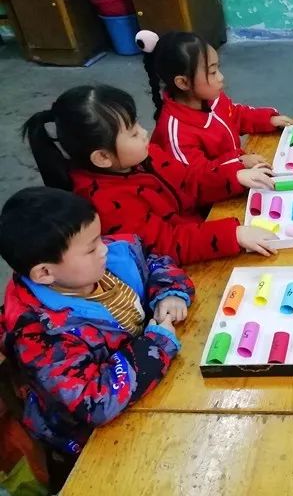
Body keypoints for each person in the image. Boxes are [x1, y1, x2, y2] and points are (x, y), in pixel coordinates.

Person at [0, 187, 194, 490]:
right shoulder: (42, 336)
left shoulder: (108, 259)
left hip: (154, 379)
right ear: (45, 273)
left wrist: (169, 292)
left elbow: (155, 261)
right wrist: (155, 345)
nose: (104, 249)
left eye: (99, 238)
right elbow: (94, 400)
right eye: (91, 248)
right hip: (97, 441)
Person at [22, 85, 278, 264]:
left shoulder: (146, 155)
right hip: (176, 268)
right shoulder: (105, 202)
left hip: (200, 233)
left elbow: (190, 179)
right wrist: (233, 235)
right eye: (132, 133)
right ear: (102, 157)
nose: (145, 133)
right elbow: (165, 246)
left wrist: (233, 176)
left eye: (137, 124)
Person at [136, 30, 293, 173]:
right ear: (183, 83)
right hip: (208, 201)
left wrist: (267, 120)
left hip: (233, 177)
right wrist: (238, 162)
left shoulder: (212, 99)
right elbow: (198, 177)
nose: (221, 77)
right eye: (212, 72)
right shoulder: (176, 134)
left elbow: (235, 115)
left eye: (218, 68)